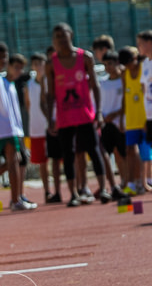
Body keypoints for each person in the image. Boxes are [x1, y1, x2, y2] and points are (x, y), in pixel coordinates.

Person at [43, 23, 106, 207]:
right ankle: (73, 194)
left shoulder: (85, 57)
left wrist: (99, 112)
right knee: (68, 155)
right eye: (57, 37)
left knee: (94, 150)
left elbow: (95, 85)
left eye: (64, 35)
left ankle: (103, 189)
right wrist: (50, 119)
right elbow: (50, 94)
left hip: (85, 114)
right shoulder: (50, 64)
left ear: (71, 35)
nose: (61, 39)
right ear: (53, 41)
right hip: (64, 117)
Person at [0, 43, 32, 212]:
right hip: (3, 128)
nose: (3, 60)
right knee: (13, 162)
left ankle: (14, 197)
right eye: (0, 57)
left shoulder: (0, 79)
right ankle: (15, 199)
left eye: (5, 56)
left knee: (15, 161)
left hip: (11, 128)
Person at [24, 52, 59, 202]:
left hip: (52, 126)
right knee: (42, 163)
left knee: (57, 160)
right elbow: (28, 106)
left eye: (41, 63)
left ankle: (60, 190)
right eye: (35, 64)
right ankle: (47, 191)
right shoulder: (29, 85)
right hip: (36, 128)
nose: (38, 67)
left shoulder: (52, 82)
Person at [98, 50, 127, 201]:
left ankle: (125, 183)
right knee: (105, 155)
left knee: (122, 154)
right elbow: (99, 102)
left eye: (110, 63)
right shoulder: (102, 82)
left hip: (120, 123)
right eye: (105, 64)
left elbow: (126, 101)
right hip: (106, 124)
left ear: (117, 63)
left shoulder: (123, 80)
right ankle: (110, 186)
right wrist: (102, 116)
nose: (108, 67)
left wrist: (117, 115)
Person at [121, 46, 146, 195]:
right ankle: (132, 183)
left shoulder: (145, 70)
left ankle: (143, 181)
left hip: (145, 117)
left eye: (130, 62)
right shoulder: (125, 74)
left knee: (144, 153)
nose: (129, 66)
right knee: (130, 150)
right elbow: (124, 97)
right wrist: (122, 118)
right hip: (131, 119)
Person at [138, 30, 152, 191]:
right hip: (149, 115)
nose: (139, 47)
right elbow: (144, 91)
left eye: (140, 43)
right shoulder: (145, 64)